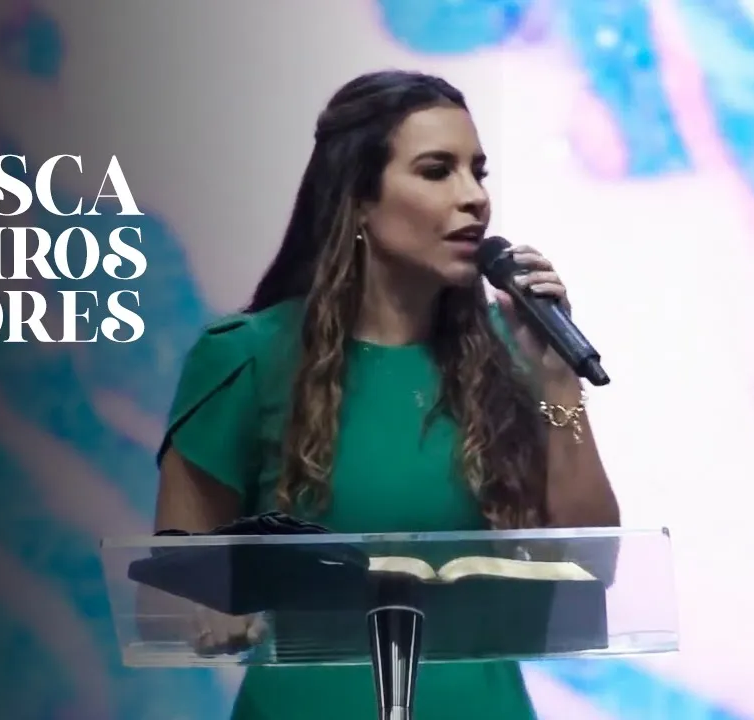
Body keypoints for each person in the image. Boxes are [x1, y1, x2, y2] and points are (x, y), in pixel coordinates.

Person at [152, 69, 621, 719]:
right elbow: (174, 579)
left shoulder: (511, 357)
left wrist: (556, 379)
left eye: (478, 172)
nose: (474, 198)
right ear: (359, 199)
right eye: (437, 171)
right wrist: (209, 602)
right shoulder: (246, 356)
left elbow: (589, 563)